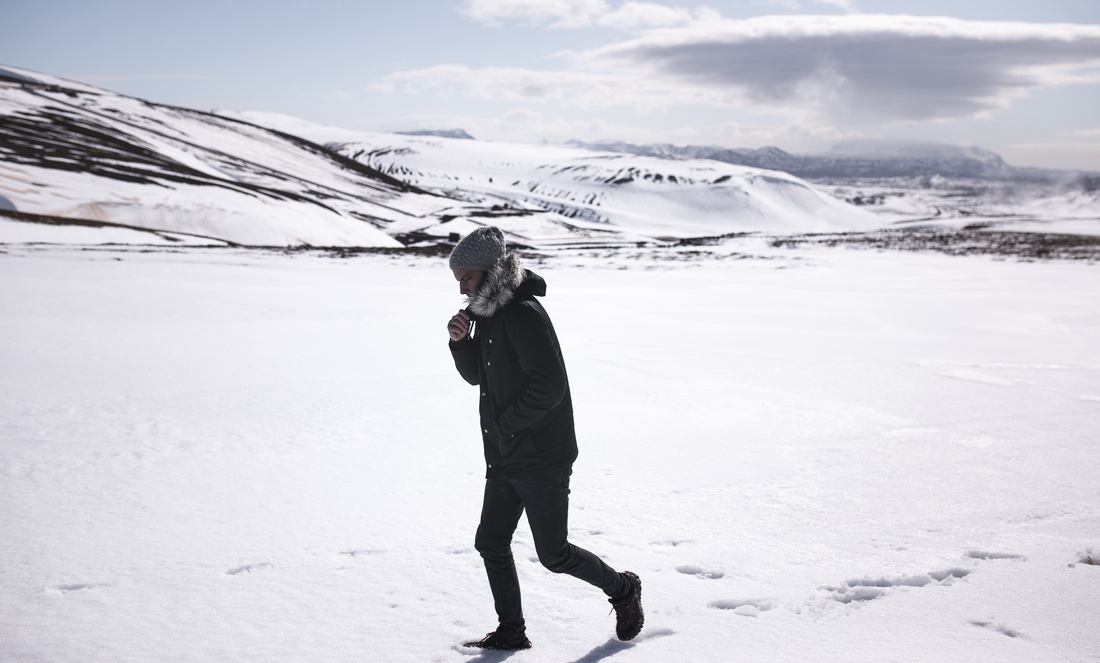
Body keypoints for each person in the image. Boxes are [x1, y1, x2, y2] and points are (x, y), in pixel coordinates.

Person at [446, 226, 644, 651]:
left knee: (553, 554)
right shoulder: (487, 315)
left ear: (488, 271)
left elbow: (549, 387)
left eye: (466, 277)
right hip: (506, 453)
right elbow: (478, 377)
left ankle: (624, 589)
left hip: (540, 456)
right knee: (491, 541)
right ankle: (512, 632)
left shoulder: (521, 314)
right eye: (457, 280)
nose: (461, 287)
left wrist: (506, 425)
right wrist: (460, 343)